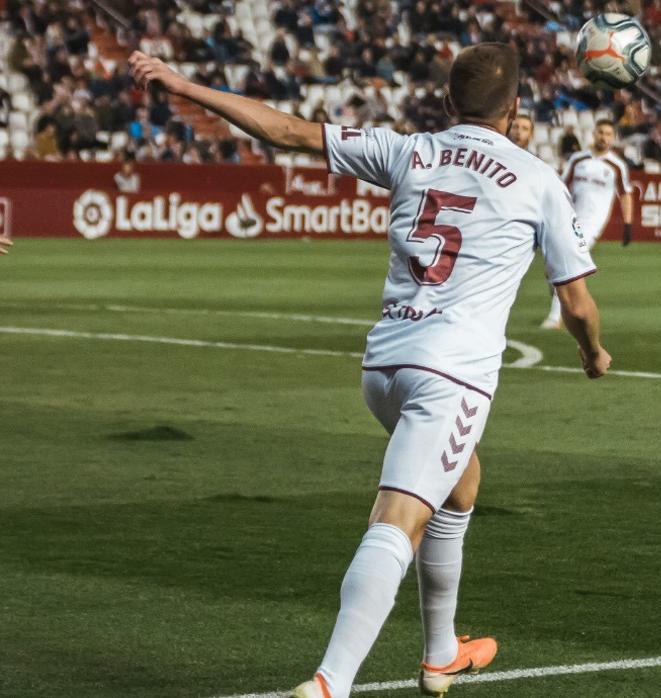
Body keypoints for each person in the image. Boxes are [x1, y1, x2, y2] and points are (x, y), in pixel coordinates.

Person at [128, 43, 613, 698]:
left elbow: (288, 130)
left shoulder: (409, 150)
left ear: (446, 103)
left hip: (386, 365)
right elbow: (577, 305)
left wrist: (187, 86)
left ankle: (441, 655)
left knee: (462, 482)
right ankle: (331, 682)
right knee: (397, 520)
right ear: (518, 107)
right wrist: (591, 353)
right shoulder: (538, 180)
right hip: (452, 375)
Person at [542, 119, 634, 329]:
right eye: (601, 132)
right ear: (594, 133)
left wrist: (628, 225)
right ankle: (563, 309)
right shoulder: (578, 159)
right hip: (571, 219)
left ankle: (556, 317)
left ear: (613, 138)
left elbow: (625, 194)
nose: (604, 137)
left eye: (608, 134)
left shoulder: (616, 166)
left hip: (592, 225)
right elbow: (563, 186)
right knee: (551, 268)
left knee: (567, 263)